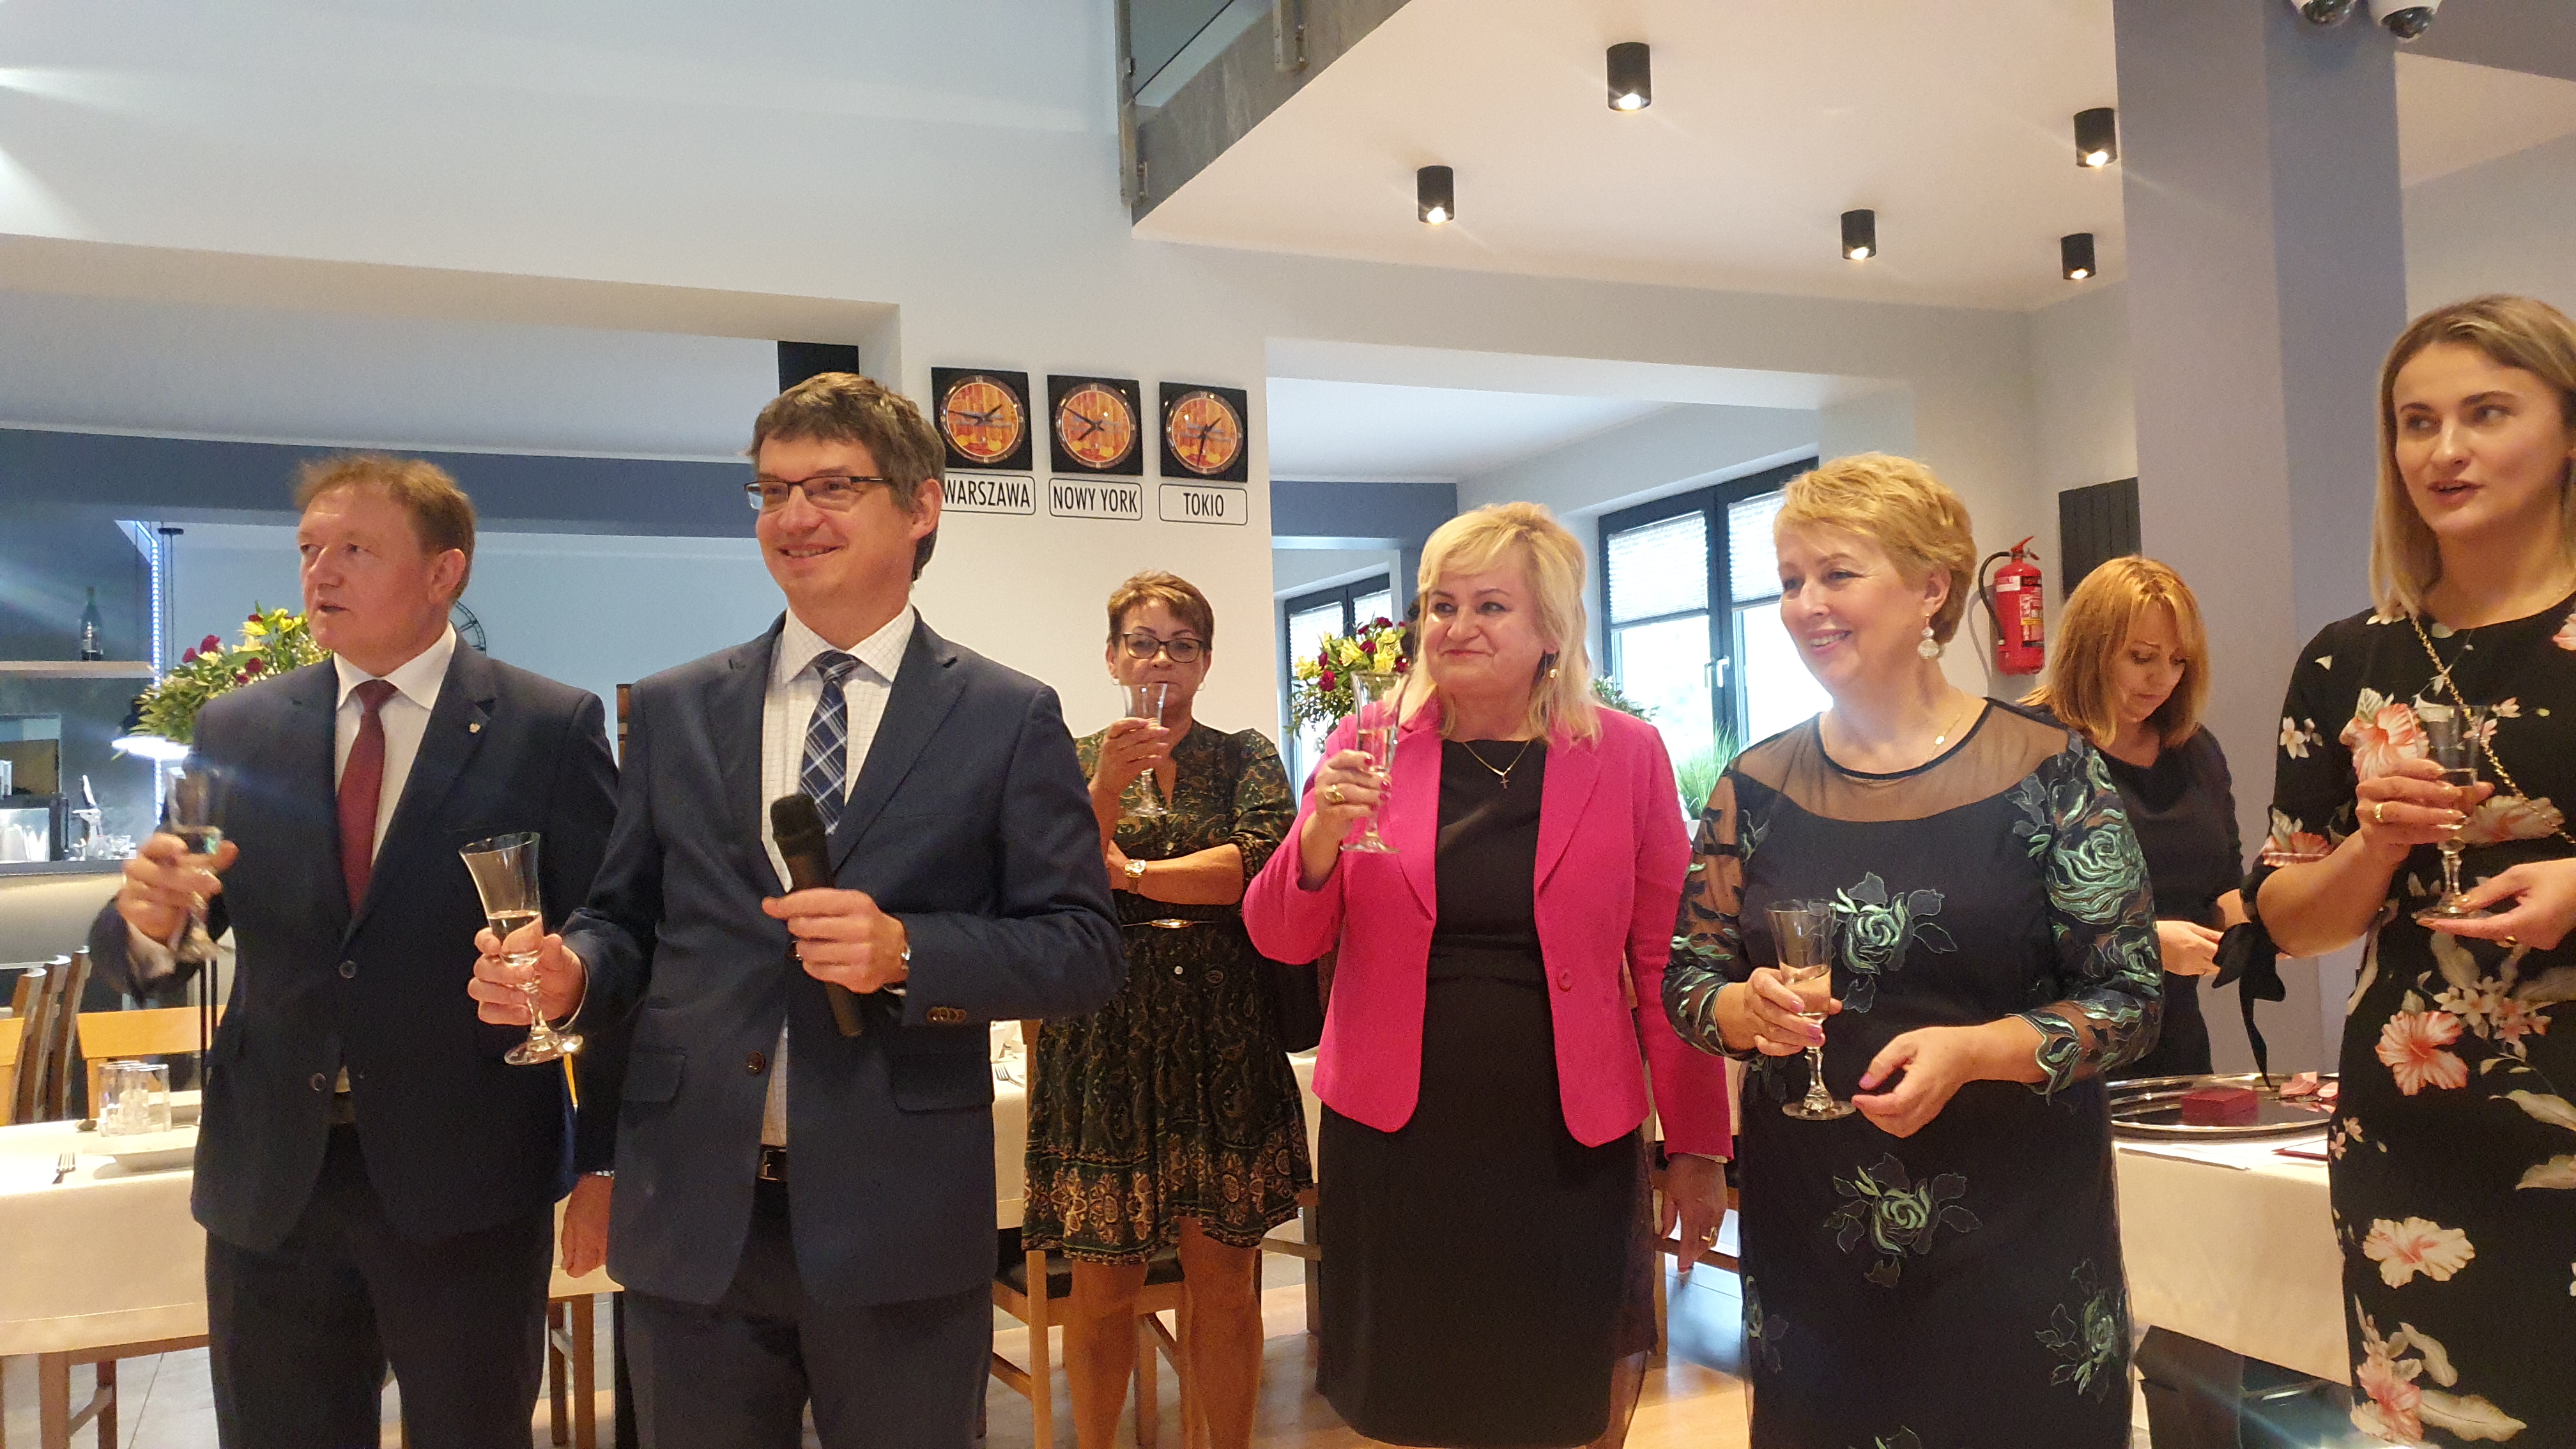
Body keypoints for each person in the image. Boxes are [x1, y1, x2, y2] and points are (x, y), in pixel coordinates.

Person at [478, 371, 1125, 1449]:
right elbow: (625, 919)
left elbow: (1083, 951)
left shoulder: (1006, 717)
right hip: (696, 1216)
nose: (793, 517)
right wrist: (574, 970)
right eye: (772, 491)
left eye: (832, 487)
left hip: (900, 1214)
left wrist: (909, 951)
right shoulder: (677, 707)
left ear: (920, 508)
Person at [90, 454, 619, 1448]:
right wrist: (149, 923)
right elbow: (176, 921)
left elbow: (615, 927)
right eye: (309, 550)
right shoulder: (239, 727)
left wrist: (604, 1157)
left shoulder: (546, 726)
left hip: (467, 1178)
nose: (319, 572)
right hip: (273, 1180)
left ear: (443, 572)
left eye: (355, 551)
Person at [1662, 453, 2161, 1448]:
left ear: (1932, 588)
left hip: (2018, 1235)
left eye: (1837, 574)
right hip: (1814, 1238)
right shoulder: (1753, 788)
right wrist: (1741, 1011)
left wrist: (1975, 1051)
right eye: (1790, 581)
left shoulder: (2050, 770)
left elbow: (2131, 1000)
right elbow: (1689, 977)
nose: (1806, 605)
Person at [1243, 502, 1730, 1449]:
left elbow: (1667, 961)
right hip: (1399, 1135)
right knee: (1412, 1399)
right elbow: (1280, 938)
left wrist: (1698, 1145)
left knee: (1558, 1397)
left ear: (1552, 630)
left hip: (1566, 1137)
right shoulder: (1367, 739)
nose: (1457, 627)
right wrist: (1319, 837)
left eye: (1490, 606)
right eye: (1441, 605)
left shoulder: (1626, 755)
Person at [2250, 295, 2576, 1447]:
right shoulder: (2350, 658)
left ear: (2568, 428)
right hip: (2417, 1141)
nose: (2446, 451)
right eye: (2417, 421)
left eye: (2488, 413)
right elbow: (2290, 920)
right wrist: (2376, 845)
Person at [1023, 569, 1312, 1449]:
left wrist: (1135, 874)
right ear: (1112, 657)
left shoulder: (1247, 755)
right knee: (1103, 1286)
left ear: (1207, 662)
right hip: (1102, 1037)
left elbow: (1258, 868)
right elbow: (1053, 875)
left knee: (1225, 1281)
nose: (1162, 660)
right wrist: (1106, 789)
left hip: (1222, 1033)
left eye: (1183, 645)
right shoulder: (1067, 757)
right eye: (1144, 643)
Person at [2025, 555, 2253, 1449]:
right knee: (2077, 1293)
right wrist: (2142, 941)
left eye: (2177, 661)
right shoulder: (2032, 747)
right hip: (2064, 1053)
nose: (2161, 681)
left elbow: (2224, 878)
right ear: (2091, 649)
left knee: (2199, 1297)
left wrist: (2258, 923)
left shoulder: (2195, 751)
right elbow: (2008, 915)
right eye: (2141, 658)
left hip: (2175, 1050)